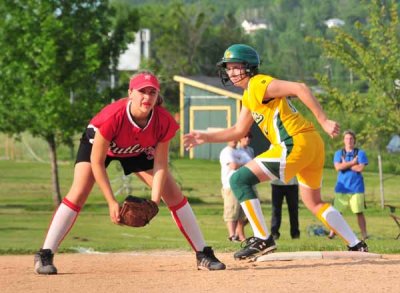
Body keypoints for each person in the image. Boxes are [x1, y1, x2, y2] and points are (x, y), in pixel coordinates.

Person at [184, 44, 368, 260]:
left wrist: (324, 120)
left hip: (294, 143)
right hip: (311, 144)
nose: (230, 72)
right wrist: (206, 137)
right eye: (228, 68)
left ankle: (263, 238)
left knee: (239, 180)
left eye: (236, 67)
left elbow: (300, 88)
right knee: (314, 202)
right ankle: (356, 244)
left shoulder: (258, 84)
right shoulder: (249, 96)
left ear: (249, 67)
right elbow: (238, 130)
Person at [34, 72, 225, 274]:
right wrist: (111, 201)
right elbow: (97, 162)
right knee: (79, 191)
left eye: (152, 92)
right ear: (130, 93)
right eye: (142, 91)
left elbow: (161, 164)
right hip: (99, 146)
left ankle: (203, 253)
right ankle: (45, 255)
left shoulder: (163, 121)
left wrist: (153, 201)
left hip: (137, 148)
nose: (147, 97)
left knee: (173, 194)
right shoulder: (112, 117)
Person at [329, 130, 368, 240]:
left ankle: (364, 234)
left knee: (358, 211)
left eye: (351, 138)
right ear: (343, 140)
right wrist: (352, 163)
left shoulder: (360, 153)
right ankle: (332, 232)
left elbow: (360, 168)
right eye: (346, 138)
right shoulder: (338, 153)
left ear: (354, 140)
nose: (349, 141)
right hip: (342, 188)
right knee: (337, 212)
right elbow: (337, 168)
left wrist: (345, 164)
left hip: (357, 188)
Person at [219, 139, 248, 242]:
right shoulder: (226, 151)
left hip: (242, 185)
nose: (234, 140)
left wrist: (241, 164)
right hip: (230, 185)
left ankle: (238, 234)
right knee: (231, 211)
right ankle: (232, 236)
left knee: (242, 213)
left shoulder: (241, 151)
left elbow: (251, 162)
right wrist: (244, 164)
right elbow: (233, 166)